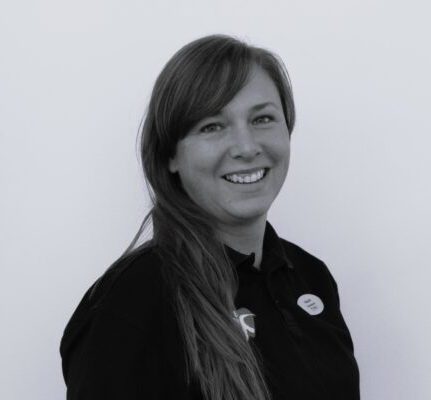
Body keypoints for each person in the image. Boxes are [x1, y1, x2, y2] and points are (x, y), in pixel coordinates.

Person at [60, 34, 360, 400]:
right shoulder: (130, 302)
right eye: (212, 126)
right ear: (170, 155)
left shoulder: (311, 277)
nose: (246, 147)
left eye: (263, 118)